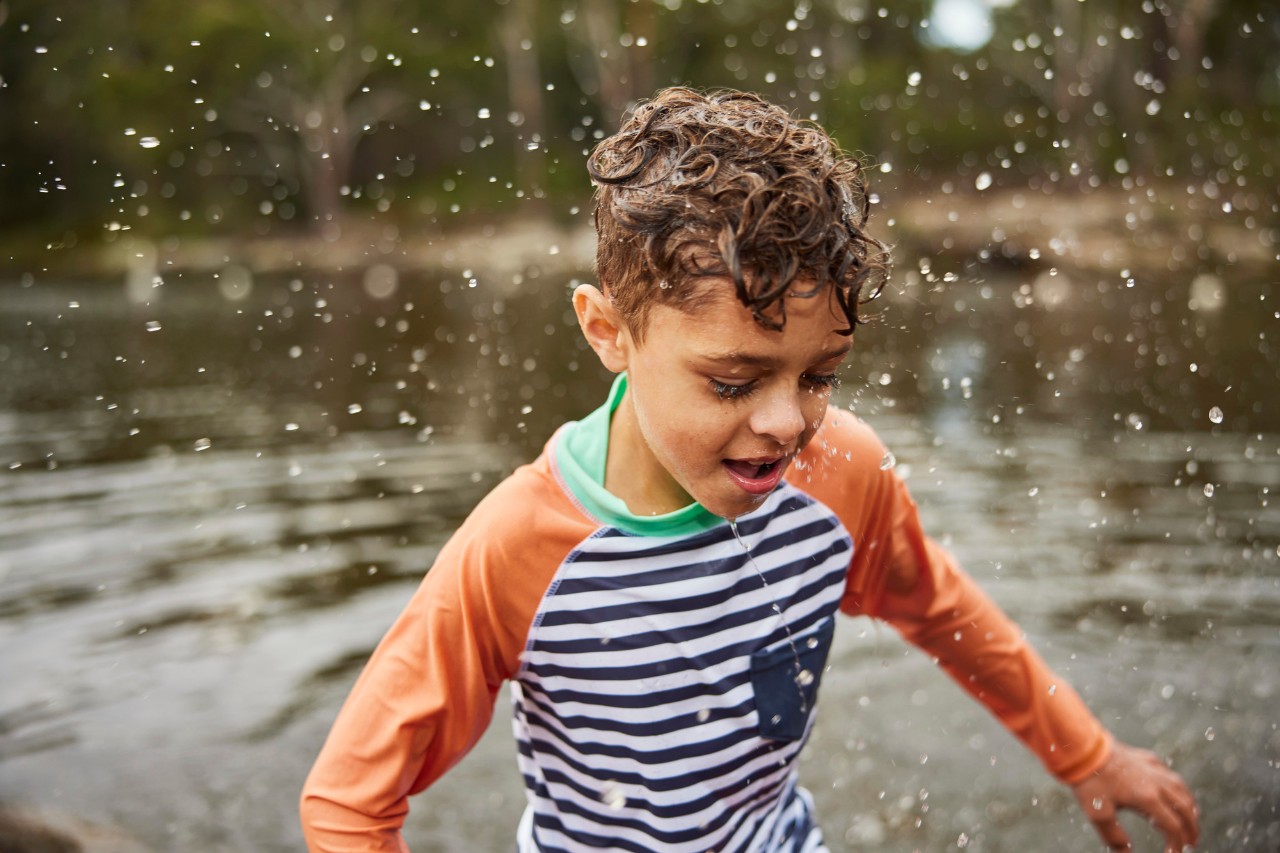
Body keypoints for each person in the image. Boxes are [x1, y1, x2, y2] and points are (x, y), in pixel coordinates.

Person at [300, 86, 1199, 852]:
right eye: (732, 380)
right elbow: (348, 801)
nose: (786, 424)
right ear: (608, 332)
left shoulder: (844, 475)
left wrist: (1086, 753)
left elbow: (950, 614)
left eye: (821, 375)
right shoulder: (520, 548)